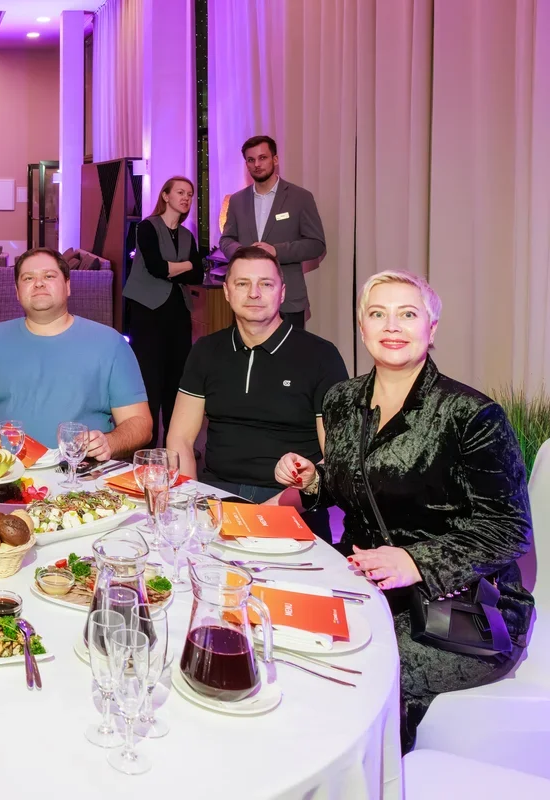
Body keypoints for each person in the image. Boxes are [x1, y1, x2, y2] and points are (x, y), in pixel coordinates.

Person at [274, 271, 533, 752]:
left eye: (408, 314)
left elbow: (510, 529)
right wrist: (312, 481)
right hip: (360, 581)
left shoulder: (471, 415)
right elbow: (355, 485)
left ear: (431, 328)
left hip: (458, 604)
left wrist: (416, 561)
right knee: (282, 645)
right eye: (378, 314)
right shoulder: (342, 400)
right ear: (362, 327)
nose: (392, 325)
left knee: (355, 677)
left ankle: (372, 777)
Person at [166, 245, 346, 539]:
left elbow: (335, 457)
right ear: (227, 292)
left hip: (291, 501)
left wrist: (267, 511)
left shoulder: (321, 357)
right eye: (242, 284)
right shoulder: (206, 351)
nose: (254, 293)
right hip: (217, 494)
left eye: (266, 284)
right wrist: (190, 501)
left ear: (282, 293)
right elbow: (180, 439)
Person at [0, 248, 153, 459]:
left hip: (80, 470)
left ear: (68, 286)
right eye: (28, 278)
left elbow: (140, 423)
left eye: (49, 276)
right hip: (3, 467)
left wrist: (110, 442)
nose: (39, 283)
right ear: (17, 292)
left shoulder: (110, 343)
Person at [124, 176, 206, 446]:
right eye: (180, 192)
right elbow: (157, 268)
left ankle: (174, 444)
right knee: (149, 379)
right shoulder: (147, 227)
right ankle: (147, 445)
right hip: (147, 311)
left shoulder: (187, 235)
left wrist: (176, 268)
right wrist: (185, 265)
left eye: (190, 194)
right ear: (166, 196)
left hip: (178, 312)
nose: (186, 198)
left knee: (176, 379)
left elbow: (197, 275)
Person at [219, 135, 326, 330]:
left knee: (290, 351)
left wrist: (276, 251)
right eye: (251, 160)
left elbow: (316, 244)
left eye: (262, 158)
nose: (257, 164)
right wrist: (242, 252)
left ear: (275, 160)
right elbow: (226, 239)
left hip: (288, 300)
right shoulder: (236, 200)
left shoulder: (300, 197)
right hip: (247, 300)